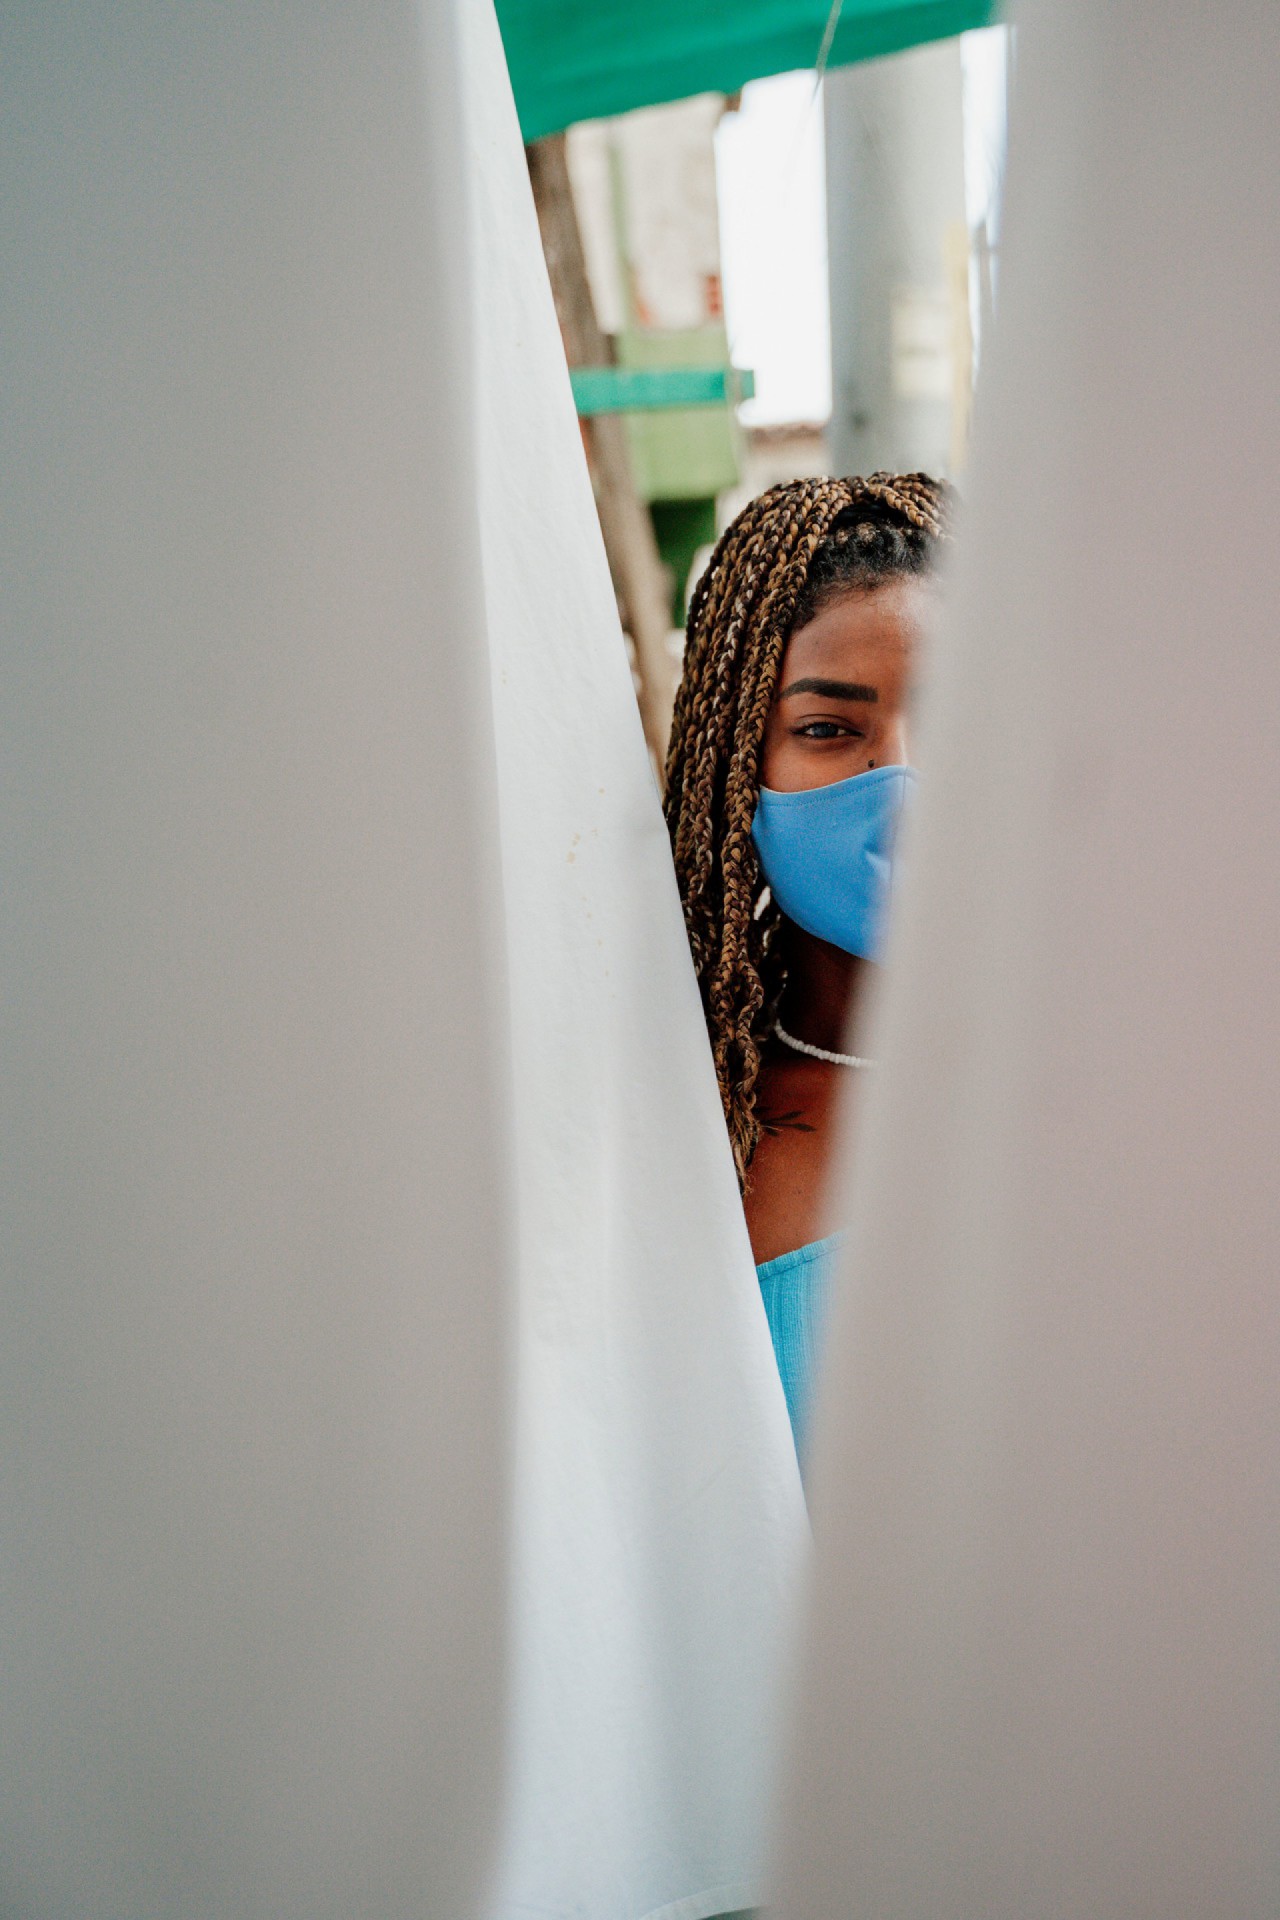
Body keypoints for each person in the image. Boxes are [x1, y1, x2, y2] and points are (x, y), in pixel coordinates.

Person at [664, 472, 954, 1460]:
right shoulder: (688, 1130)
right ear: (736, 768)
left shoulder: (1137, 1086)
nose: (903, 777)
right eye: (827, 730)